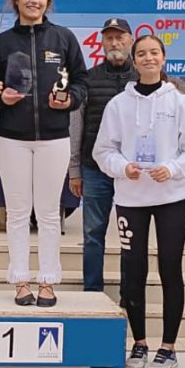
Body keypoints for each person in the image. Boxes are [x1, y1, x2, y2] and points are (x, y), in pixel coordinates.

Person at [93, 35, 185, 368]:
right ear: (134, 60)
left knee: (170, 268)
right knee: (133, 270)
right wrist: (121, 166)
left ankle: (168, 348)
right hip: (131, 200)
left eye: (154, 52)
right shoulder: (118, 104)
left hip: (170, 198)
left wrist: (171, 168)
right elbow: (103, 151)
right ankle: (139, 342)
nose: (148, 58)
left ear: (163, 58)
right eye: (141, 53)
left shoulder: (180, 102)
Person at [0, 0, 88, 307]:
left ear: (48, 1)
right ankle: (20, 280)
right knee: (17, 212)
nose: (34, 0)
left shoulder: (63, 38)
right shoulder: (1, 43)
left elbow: (81, 82)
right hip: (11, 138)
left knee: (48, 213)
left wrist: (69, 99)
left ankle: (48, 281)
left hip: (54, 138)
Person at [69, 18, 137, 291]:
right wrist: (75, 170)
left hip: (133, 173)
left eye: (120, 37)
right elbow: (76, 126)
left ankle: (129, 292)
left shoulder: (143, 78)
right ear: (102, 43)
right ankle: (92, 290)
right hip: (94, 169)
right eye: (109, 38)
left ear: (131, 40)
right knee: (93, 234)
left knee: (131, 236)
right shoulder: (88, 79)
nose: (115, 43)